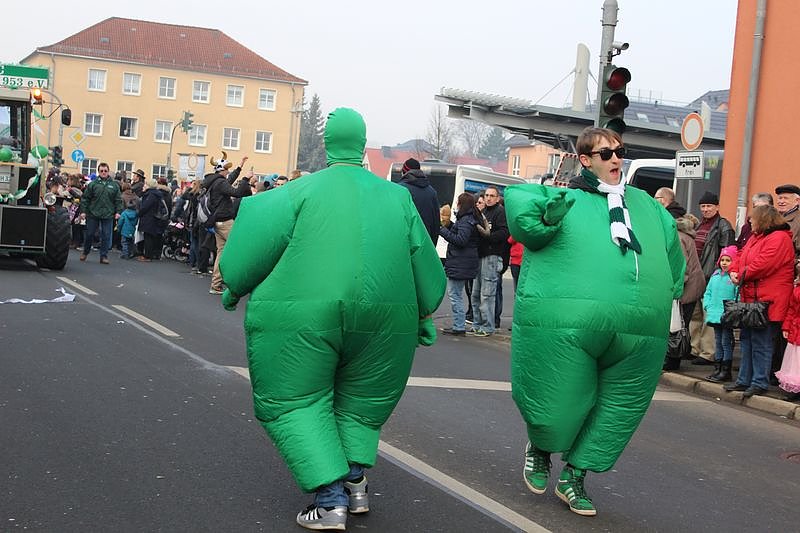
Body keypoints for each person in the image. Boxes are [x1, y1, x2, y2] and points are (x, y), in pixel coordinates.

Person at [218, 107, 445, 531]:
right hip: (386, 317)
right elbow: (424, 261)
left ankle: (329, 499)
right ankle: (355, 482)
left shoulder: (300, 192)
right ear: (362, 146)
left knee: (296, 398)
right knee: (361, 400)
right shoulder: (397, 198)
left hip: (305, 310)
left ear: (328, 144)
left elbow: (258, 234)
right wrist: (426, 310)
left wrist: (235, 284)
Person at [504, 127, 684, 517]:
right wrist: (546, 215)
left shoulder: (647, 206)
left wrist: (671, 292)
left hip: (640, 332)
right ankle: (540, 447)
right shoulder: (564, 196)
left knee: (619, 410)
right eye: (606, 154)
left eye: (620, 151)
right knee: (555, 400)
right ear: (585, 160)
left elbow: (673, 255)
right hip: (570, 324)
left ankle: (576, 475)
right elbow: (521, 210)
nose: (616, 159)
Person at [724, 205, 795, 397]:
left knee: (761, 342)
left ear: (763, 220)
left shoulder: (779, 238)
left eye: (753, 219)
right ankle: (744, 380)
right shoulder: (758, 237)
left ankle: (759, 382)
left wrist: (740, 274)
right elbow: (740, 256)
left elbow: (763, 264)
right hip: (754, 299)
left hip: (769, 300)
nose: (750, 222)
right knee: (747, 339)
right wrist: (735, 271)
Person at [690, 191, 735, 365]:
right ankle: (694, 348)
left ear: (717, 207)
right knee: (696, 314)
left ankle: (707, 352)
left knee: (710, 314)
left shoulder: (723, 226)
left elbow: (728, 252)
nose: (706, 209)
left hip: (713, 276)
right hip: (698, 275)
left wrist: (719, 273)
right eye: (703, 206)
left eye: (709, 206)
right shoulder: (700, 224)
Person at [201, 153, 251, 294]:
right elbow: (237, 192)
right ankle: (241, 281)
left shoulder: (214, 181)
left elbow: (228, 182)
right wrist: (245, 179)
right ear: (221, 170)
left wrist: (240, 167)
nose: (228, 171)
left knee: (221, 254)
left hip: (217, 222)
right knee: (240, 248)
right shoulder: (220, 182)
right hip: (225, 222)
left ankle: (215, 285)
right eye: (226, 169)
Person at [663, 215, 707, 371]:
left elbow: (683, 269)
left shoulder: (679, 239)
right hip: (692, 286)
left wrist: (675, 291)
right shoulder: (685, 237)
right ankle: (674, 359)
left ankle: (673, 361)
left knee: (677, 326)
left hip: (686, 288)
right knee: (682, 325)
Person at [439, 192, 482, 335]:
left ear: (462, 204)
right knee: (457, 294)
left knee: (454, 294)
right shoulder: (468, 219)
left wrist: (442, 230)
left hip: (460, 262)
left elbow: (461, 240)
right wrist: (449, 225)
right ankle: (459, 324)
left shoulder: (465, 220)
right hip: (463, 262)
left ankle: (459, 326)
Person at [470, 186, 509, 337]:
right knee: (476, 293)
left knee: (487, 294)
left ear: (498, 198)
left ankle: (488, 326)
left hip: (492, 256)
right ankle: (477, 323)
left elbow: (505, 233)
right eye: (486, 195)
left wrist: (488, 236)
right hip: (479, 255)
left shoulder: (500, 212)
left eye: (492, 195)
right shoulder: (482, 212)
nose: (488, 198)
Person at [701, 245, 738, 382]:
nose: (724, 263)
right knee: (718, 341)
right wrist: (707, 305)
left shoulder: (733, 279)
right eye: (723, 260)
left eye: (728, 260)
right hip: (714, 313)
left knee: (726, 341)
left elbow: (737, 296)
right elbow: (708, 292)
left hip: (727, 315)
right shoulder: (715, 276)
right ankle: (718, 368)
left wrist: (733, 309)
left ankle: (725, 369)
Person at [79, 162, 122, 264]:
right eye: (101, 171)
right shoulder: (93, 184)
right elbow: (85, 199)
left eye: (105, 171)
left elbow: (118, 200)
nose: (103, 173)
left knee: (106, 235)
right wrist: (83, 211)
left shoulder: (114, 185)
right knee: (89, 234)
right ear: (98, 172)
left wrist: (118, 212)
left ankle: (104, 256)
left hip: (108, 213)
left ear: (108, 172)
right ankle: (85, 251)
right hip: (93, 213)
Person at [398, 158, 440, 244]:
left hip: (404, 243)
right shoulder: (432, 192)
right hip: (425, 243)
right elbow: (436, 223)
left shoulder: (400, 190)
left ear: (404, 172)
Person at [777, 267, 800, 402]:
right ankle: (795, 387)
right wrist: (786, 326)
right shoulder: (796, 288)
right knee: (794, 360)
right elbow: (791, 308)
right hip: (795, 327)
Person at [136, 178, 170, 261]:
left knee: (148, 237)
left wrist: (139, 213)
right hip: (153, 218)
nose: (144, 186)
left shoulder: (151, 195)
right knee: (150, 236)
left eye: (145, 184)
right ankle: (149, 255)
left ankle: (147, 256)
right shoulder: (156, 194)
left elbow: (145, 206)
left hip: (149, 218)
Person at [775, 184, 800, 257]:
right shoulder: (773, 218)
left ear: (797, 201)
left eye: (785, 198)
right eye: (780, 198)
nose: (781, 202)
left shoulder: (798, 220)